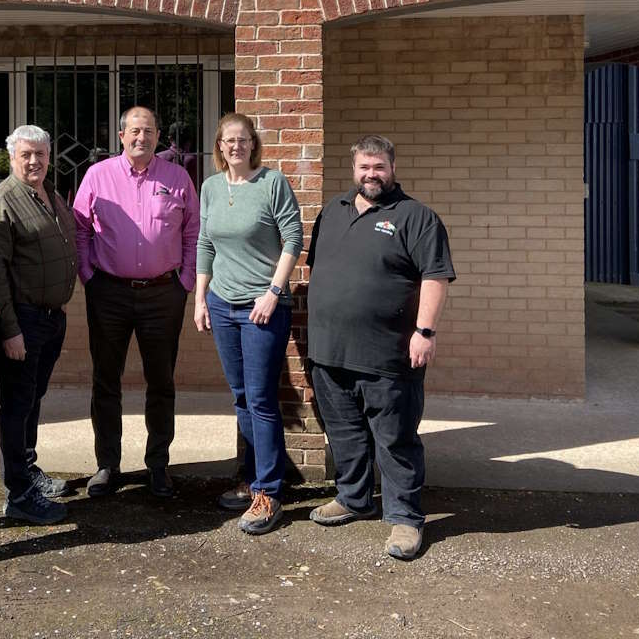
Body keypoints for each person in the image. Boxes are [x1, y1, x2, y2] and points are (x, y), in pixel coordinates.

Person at [305, 135, 455, 561]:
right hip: (330, 351)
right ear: (353, 169)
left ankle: (406, 518)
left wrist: (424, 332)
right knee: (345, 433)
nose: (371, 175)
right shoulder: (331, 212)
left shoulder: (416, 217)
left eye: (379, 167)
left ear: (393, 168)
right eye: (364, 167)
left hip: (390, 354)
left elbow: (435, 277)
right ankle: (353, 498)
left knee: (395, 438)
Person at [73, 105, 200, 498]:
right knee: (106, 380)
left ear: (158, 136)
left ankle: (158, 464)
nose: (141, 138)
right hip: (108, 292)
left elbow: (195, 231)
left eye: (148, 131)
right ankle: (107, 464)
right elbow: (79, 230)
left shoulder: (178, 177)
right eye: (134, 131)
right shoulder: (98, 175)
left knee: (161, 381)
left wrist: (185, 281)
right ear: (121, 136)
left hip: (164, 293)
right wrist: (89, 277)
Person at [193, 113, 303, 535]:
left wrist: (273, 292)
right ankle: (254, 476)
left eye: (243, 139)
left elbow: (293, 238)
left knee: (260, 398)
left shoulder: (271, 183)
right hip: (222, 304)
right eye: (228, 140)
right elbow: (205, 243)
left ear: (253, 144)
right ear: (219, 146)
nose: (235, 146)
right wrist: (200, 299)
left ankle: (269, 493)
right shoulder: (211, 188)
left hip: (262, 307)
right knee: (240, 396)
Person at [0, 125, 78, 526]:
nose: (34, 161)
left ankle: (28, 470)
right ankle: (18, 494)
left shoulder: (49, 193)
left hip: (51, 318)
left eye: (40, 153)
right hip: (23, 319)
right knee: (18, 404)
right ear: (11, 158)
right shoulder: (1, 202)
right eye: (25, 155)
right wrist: (10, 330)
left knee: (33, 399)